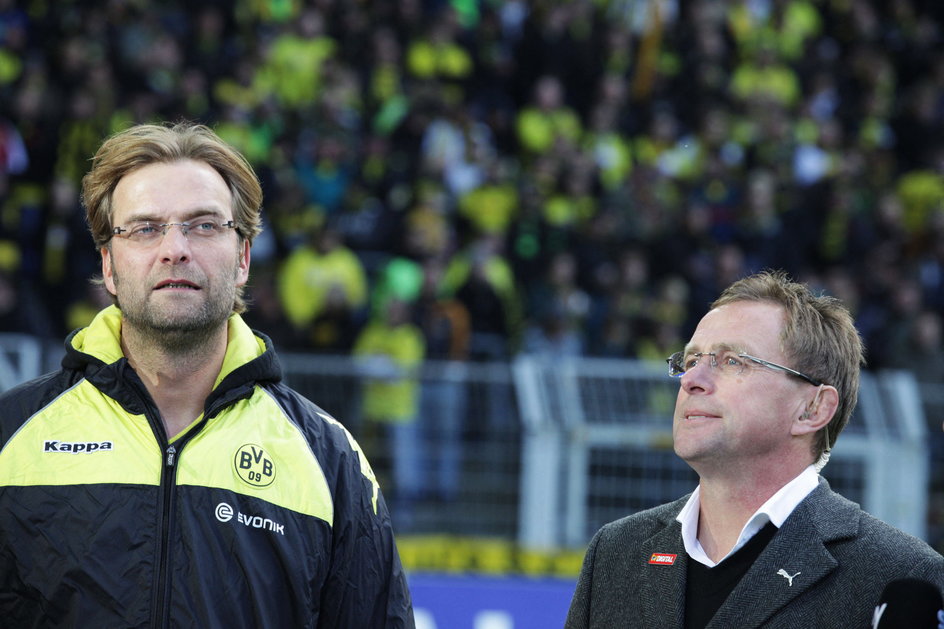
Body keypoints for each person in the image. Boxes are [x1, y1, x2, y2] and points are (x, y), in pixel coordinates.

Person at [0, 122, 414, 628]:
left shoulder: (329, 462)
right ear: (108, 265)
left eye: (203, 225)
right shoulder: (12, 436)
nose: (175, 249)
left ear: (242, 258)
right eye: (146, 228)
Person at [565, 270, 944, 629]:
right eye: (691, 359)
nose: (692, 380)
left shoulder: (902, 577)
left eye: (732, 361)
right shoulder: (615, 553)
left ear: (812, 409)